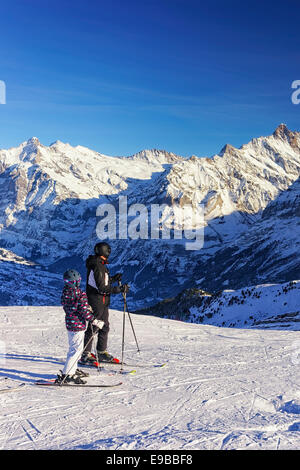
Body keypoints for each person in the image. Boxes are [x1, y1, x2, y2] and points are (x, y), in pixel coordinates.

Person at [81, 242, 130, 364]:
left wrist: (113, 279)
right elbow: (102, 288)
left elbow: (102, 282)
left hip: (101, 300)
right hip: (97, 300)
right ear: (105, 252)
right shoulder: (97, 266)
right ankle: (85, 354)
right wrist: (118, 289)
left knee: (105, 326)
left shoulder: (99, 264)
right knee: (95, 325)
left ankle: (101, 352)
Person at [56, 268, 104, 384]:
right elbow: (84, 312)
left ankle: (72, 369)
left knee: (76, 347)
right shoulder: (80, 294)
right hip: (78, 325)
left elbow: (75, 307)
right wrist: (95, 320)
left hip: (70, 324)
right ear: (76, 282)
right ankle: (67, 374)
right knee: (75, 350)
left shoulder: (65, 293)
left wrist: (84, 307)